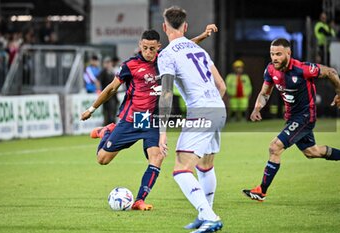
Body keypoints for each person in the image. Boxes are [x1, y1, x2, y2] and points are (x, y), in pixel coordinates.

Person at [80, 26, 218, 211]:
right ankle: (107, 131)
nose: (148, 52)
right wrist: (91, 109)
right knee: (102, 159)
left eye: (152, 48)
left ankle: (139, 200)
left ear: (158, 47)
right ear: (140, 45)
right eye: (145, 48)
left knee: (157, 156)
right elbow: (111, 89)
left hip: (153, 119)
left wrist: (203, 35)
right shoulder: (130, 66)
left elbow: (188, 46)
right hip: (133, 119)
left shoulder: (165, 58)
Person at [242, 38, 340, 202]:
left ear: (288, 53)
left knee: (275, 147)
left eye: (279, 54)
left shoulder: (302, 69)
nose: (274, 58)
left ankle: (261, 191)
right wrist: (257, 107)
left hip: (305, 117)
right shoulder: (271, 70)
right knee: (312, 152)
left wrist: (338, 91)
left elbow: (331, 72)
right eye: (272, 54)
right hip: (292, 118)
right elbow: (265, 93)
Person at [158, 6, 226, 233]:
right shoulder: (200, 51)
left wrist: (162, 131)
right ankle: (204, 213)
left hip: (201, 111)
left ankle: (210, 217)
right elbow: (221, 86)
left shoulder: (166, 55)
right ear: (185, 27)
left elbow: (166, 93)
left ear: (164, 27)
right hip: (218, 107)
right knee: (205, 165)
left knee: (181, 167)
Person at [97, 57, 119, 125]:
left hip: (114, 95)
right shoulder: (103, 72)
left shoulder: (112, 72)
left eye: (109, 63)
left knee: (114, 112)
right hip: (107, 96)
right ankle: (108, 128)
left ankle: (113, 127)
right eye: (107, 63)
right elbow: (97, 81)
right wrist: (98, 90)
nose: (108, 64)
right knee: (108, 114)